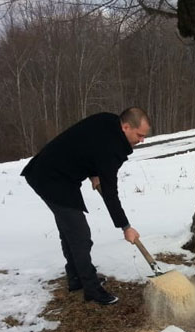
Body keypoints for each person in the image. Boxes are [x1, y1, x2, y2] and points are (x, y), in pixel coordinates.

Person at [21, 107, 151, 305]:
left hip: (52, 172)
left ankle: (76, 279)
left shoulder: (108, 121)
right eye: (140, 135)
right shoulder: (111, 148)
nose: (142, 140)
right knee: (80, 236)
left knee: (70, 232)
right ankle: (91, 289)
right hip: (51, 179)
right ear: (125, 127)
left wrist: (94, 171)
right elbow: (110, 193)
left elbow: (85, 144)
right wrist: (125, 226)